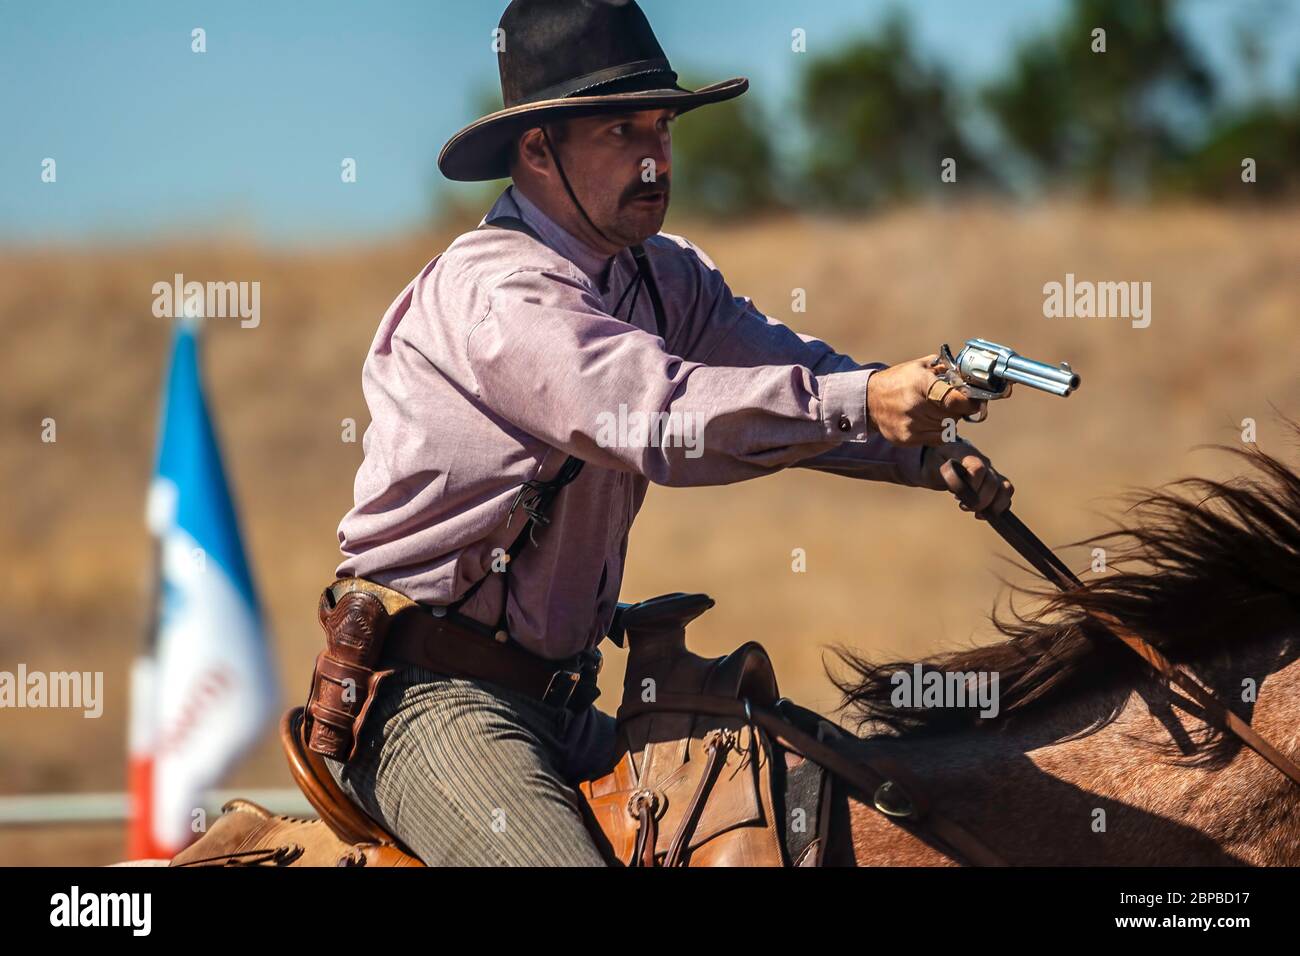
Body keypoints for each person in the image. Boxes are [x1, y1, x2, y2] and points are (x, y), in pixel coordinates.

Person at [321, 0, 1013, 866]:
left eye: (663, 126)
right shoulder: (497, 293)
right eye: (622, 131)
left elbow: (795, 370)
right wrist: (867, 400)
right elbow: (656, 415)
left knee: (788, 817)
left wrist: (924, 448)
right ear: (537, 148)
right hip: (431, 701)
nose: (655, 158)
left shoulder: (664, 276)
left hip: (568, 705)